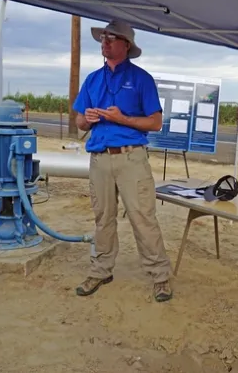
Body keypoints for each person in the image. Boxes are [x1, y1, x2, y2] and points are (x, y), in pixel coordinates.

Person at [72, 19, 173, 302]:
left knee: (142, 218)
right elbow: (79, 121)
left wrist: (122, 119)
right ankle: (101, 269)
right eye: (103, 37)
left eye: (111, 38)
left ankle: (160, 276)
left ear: (126, 45)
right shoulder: (92, 79)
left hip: (131, 159)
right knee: (103, 219)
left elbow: (155, 123)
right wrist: (87, 119)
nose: (104, 42)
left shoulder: (142, 79)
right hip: (100, 160)